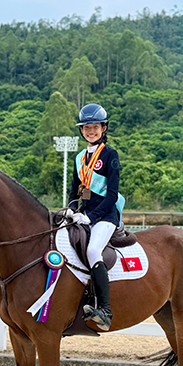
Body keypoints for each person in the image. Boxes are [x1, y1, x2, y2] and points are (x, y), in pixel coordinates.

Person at [66, 103, 125, 331]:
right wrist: (72, 209)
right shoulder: (80, 158)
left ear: (104, 128)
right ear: (82, 130)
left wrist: (91, 217)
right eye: (86, 127)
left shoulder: (110, 154)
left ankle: (105, 310)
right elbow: (74, 191)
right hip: (84, 214)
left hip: (106, 215)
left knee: (92, 251)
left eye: (95, 127)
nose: (90, 131)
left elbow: (111, 195)